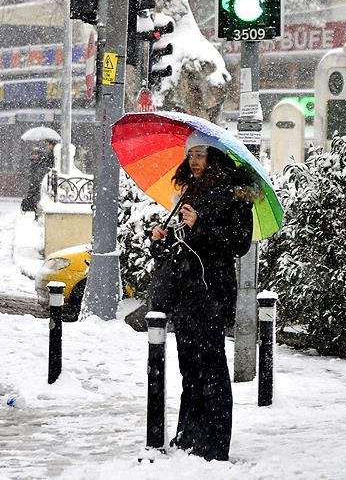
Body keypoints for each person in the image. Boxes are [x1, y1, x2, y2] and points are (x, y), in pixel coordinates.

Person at [149, 132, 254, 462]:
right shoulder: (189, 194)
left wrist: (202, 224)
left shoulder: (234, 196)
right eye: (191, 154)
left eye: (201, 154)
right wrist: (161, 239)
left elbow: (238, 243)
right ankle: (189, 436)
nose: (194, 161)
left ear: (215, 159)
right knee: (189, 370)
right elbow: (184, 249)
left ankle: (214, 443)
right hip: (185, 295)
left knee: (212, 369)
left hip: (212, 294)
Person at [22, 146, 53, 212]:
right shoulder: (33, 164)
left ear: (39, 155)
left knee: (37, 202)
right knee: (33, 203)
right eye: (33, 154)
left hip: (38, 187)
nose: (34, 155)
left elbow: (39, 175)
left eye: (35, 154)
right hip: (33, 186)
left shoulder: (42, 164)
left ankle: (37, 216)